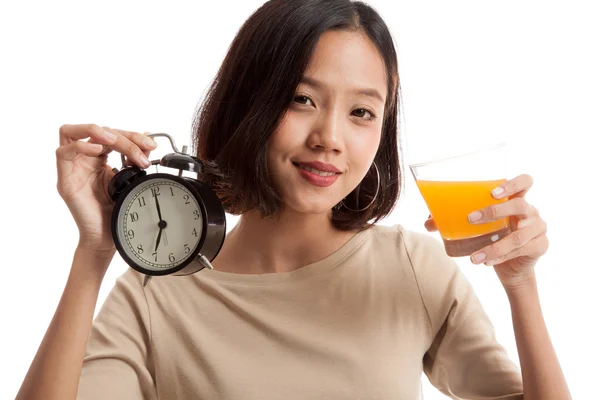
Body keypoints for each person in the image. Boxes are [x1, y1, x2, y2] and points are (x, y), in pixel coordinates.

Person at [17, 1, 571, 399]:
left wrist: (520, 285)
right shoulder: (153, 296)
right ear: (245, 105)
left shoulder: (411, 268)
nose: (330, 136)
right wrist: (94, 250)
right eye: (301, 99)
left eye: (361, 112)